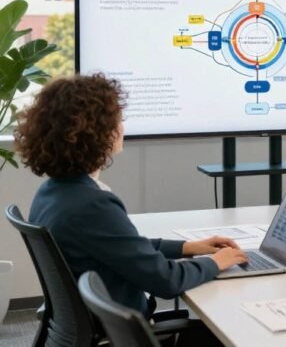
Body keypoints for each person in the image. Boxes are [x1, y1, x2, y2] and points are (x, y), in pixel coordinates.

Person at [21, 74, 249, 320]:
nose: (122, 127)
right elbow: (166, 281)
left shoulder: (53, 192)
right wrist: (216, 262)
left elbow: (122, 245)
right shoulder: (92, 205)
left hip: (99, 325)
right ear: (99, 133)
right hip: (124, 333)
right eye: (118, 119)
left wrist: (186, 247)